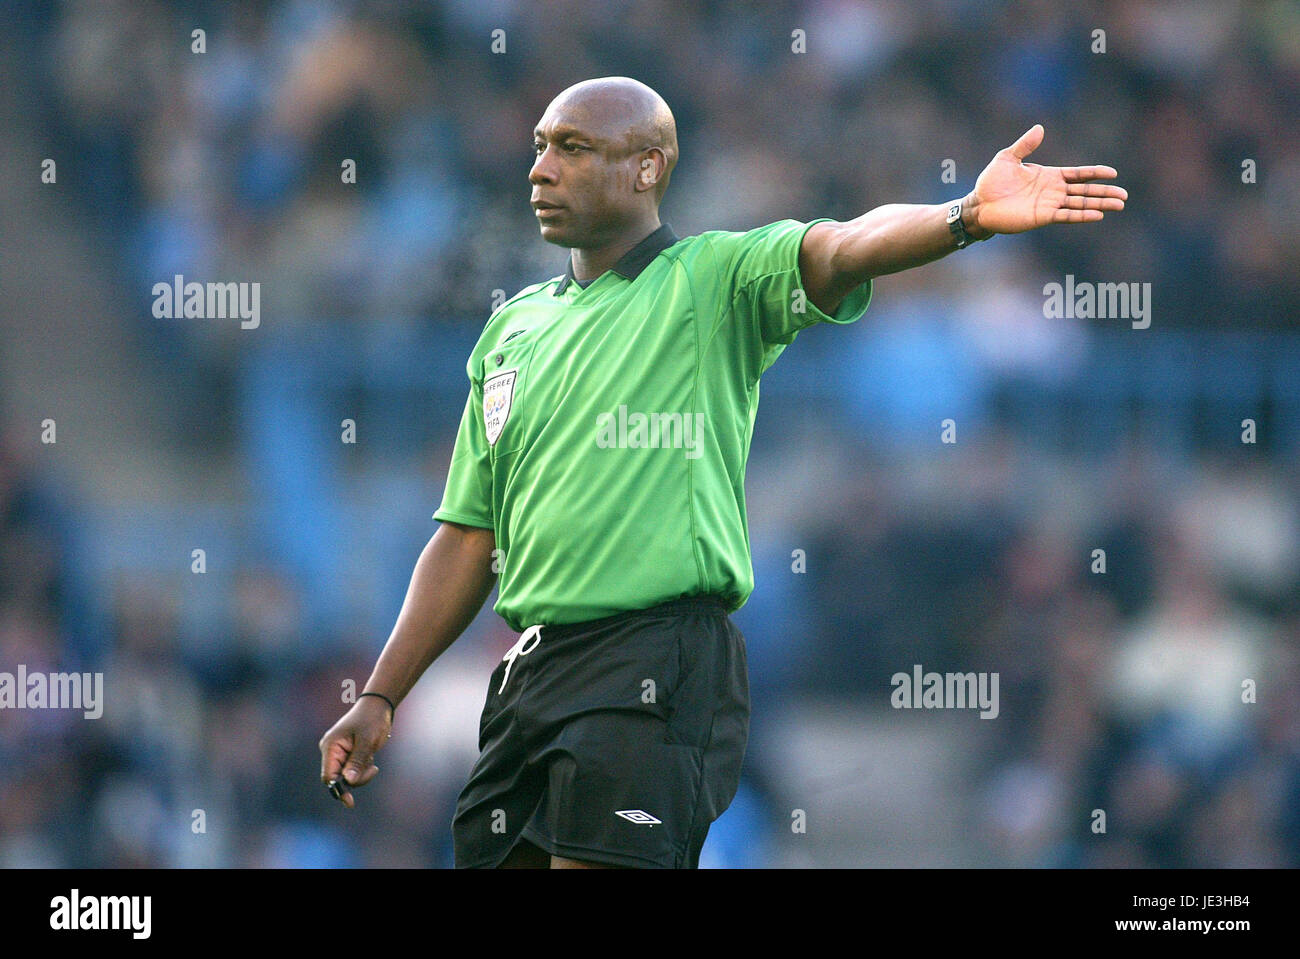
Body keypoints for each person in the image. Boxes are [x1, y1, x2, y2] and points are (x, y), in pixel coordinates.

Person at [318, 76, 1126, 869]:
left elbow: (840, 244)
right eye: (538, 148)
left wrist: (964, 217)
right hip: (529, 673)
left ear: (647, 167)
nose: (540, 168)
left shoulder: (713, 280)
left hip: (650, 658)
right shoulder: (511, 330)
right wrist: (382, 694)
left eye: (571, 147)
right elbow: (467, 535)